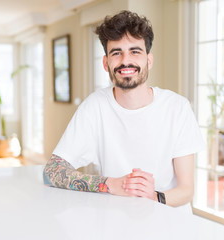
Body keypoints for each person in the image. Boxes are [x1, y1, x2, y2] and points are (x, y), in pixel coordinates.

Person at [43, 10, 205, 212]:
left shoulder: (178, 108)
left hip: (170, 225)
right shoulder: (94, 107)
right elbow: (51, 172)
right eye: (116, 52)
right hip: (115, 222)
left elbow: (187, 190)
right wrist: (111, 183)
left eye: (135, 51)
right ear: (106, 63)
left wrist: (154, 197)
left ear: (149, 60)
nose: (125, 61)